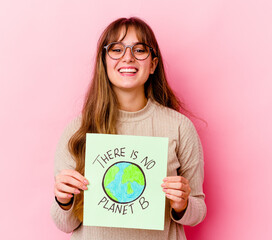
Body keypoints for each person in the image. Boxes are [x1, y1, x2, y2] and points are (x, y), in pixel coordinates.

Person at [51, 17, 206, 240]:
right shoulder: (78, 130)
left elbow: (197, 211)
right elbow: (64, 223)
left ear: (153, 64)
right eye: (116, 49)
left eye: (139, 50)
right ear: (103, 62)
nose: (128, 57)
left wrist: (182, 204)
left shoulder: (179, 127)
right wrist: (63, 199)